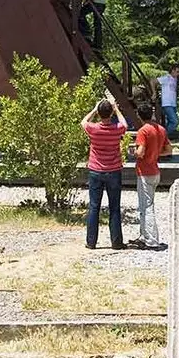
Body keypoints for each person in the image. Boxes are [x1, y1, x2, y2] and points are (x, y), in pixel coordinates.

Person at [81, 99, 128, 250]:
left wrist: (94, 110)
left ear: (100, 114)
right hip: (113, 170)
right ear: (111, 112)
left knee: (94, 207)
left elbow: (83, 121)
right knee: (114, 207)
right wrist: (116, 109)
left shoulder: (93, 129)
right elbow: (125, 124)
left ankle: (91, 242)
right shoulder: (116, 129)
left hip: (95, 170)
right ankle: (116, 242)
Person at [131, 106, 169, 250]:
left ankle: (152, 241)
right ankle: (144, 236)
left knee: (146, 207)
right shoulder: (161, 129)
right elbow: (168, 150)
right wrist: (156, 153)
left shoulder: (143, 131)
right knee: (146, 204)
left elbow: (140, 153)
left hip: (144, 172)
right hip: (155, 170)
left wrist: (134, 152)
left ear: (139, 116)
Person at [158, 63, 179, 140]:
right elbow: (153, 81)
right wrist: (154, 93)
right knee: (175, 121)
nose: (178, 74)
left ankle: (164, 138)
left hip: (173, 104)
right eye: (177, 72)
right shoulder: (166, 78)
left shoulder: (175, 79)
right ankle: (163, 137)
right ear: (172, 70)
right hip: (167, 103)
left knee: (170, 122)